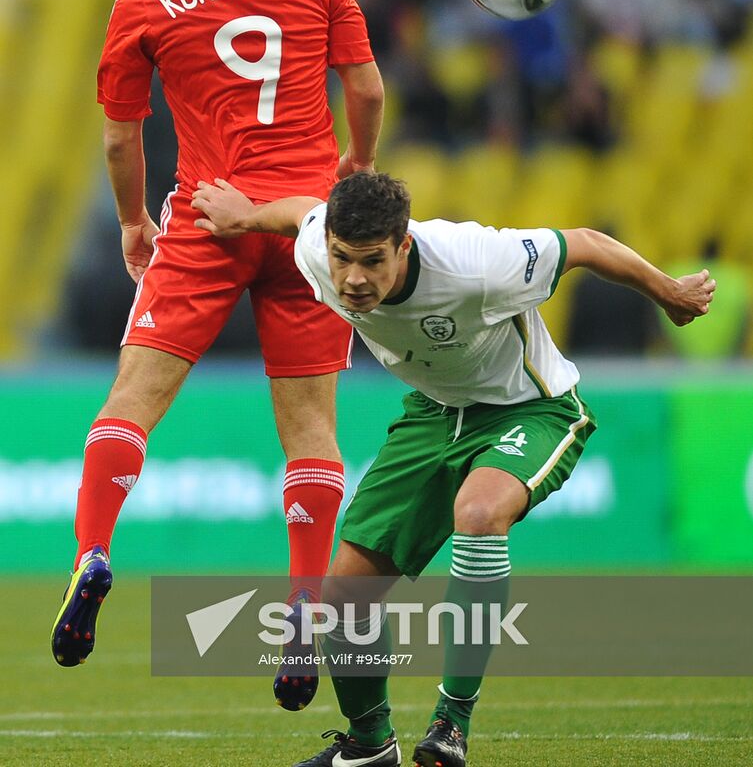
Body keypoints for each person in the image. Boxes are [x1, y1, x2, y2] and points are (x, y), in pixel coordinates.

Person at [190, 171, 715, 767]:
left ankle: (451, 725)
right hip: (433, 417)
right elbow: (303, 213)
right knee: (342, 600)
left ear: (404, 245)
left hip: (530, 408)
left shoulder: (477, 264)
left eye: (372, 261)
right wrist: (246, 216)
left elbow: (586, 243)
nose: (354, 279)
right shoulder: (319, 247)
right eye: (343, 259)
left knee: (479, 512)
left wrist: (669, 292)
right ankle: (368, 746)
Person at [50, 0, 384, 716]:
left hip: (205, 215)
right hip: (306, 222)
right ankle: (306, 608)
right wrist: (353, 165)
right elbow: (368, 87)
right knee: (311, 430)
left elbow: (123, 135)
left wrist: (130, 221)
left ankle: (92, 552)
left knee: (130, 404)